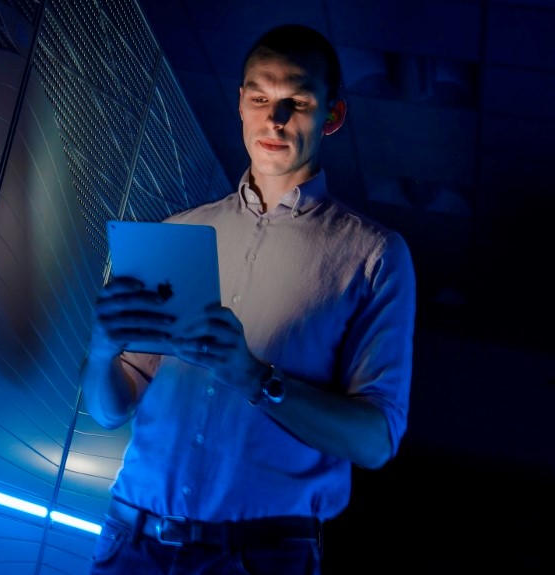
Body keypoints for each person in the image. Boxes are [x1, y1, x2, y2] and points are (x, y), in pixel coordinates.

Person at [80, 23, 416, 575]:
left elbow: (375, 440)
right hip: (131, 540)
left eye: (298, 101)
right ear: (240, 103)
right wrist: (100, 355)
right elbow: (111, 408)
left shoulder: (374, 256)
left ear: (332, 115)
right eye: (260, 98)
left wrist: (255, 378)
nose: (274, 119)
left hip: (259, 558)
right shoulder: (179, 231)